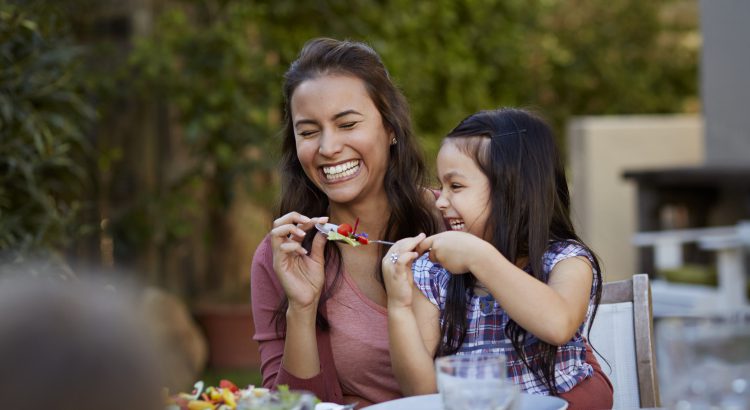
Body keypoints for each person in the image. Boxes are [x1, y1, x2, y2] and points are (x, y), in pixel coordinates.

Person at [250, 38, 440, 408]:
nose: (327, 147)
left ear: (391, 128)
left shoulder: (455, 221)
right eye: (308, 131)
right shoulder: (281, 255)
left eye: (347, 123)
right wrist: (302, 309)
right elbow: (288, 404)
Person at [382, 108, 614, 409]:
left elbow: (558, 324)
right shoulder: (433, 274)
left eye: (456, 186)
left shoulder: (566, 260)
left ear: (511, 191)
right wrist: (398, 305)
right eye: (441, 185)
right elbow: (423, 393)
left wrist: (478, 256)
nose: (440, 200)